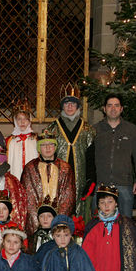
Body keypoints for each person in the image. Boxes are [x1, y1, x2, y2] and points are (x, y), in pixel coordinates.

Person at [46, 84, 96, 219]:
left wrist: (91, 180)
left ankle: (78, 237)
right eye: (67, 103)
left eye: (73, 103)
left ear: (78, 107)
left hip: (81, 178)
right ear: (62, 106)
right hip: (59, 178)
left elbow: (92, 158)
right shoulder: (53, 128)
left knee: (79, 209)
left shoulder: (87, 130)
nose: (70, 106)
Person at [93, 94, 136, 217]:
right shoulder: (95, 130)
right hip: (101, 183)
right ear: (104, 109)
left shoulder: (131, 130)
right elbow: (88, 158)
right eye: (109, 105)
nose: (113, 108)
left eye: (116, 105)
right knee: (98, 223)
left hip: (124, 184)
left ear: (121, 109)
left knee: (125, 222)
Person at [21, 129, 76, 237]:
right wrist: (37, 223)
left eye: (51, 144)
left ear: (55, 147)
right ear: (38, 148)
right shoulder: (30, 168)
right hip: (36, 222)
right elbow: (27, 197)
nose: (47, 148)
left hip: (58, 225)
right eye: (44, 145)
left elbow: (68, 197)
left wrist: (58, 222)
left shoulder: (65, 168)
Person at [6, 99, 38, 180]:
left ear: (29, 120)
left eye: (25, 119)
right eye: (19, 119)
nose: (22, 122)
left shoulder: (35, 140)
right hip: (15, 177)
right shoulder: (10, 141)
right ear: (15, 121)